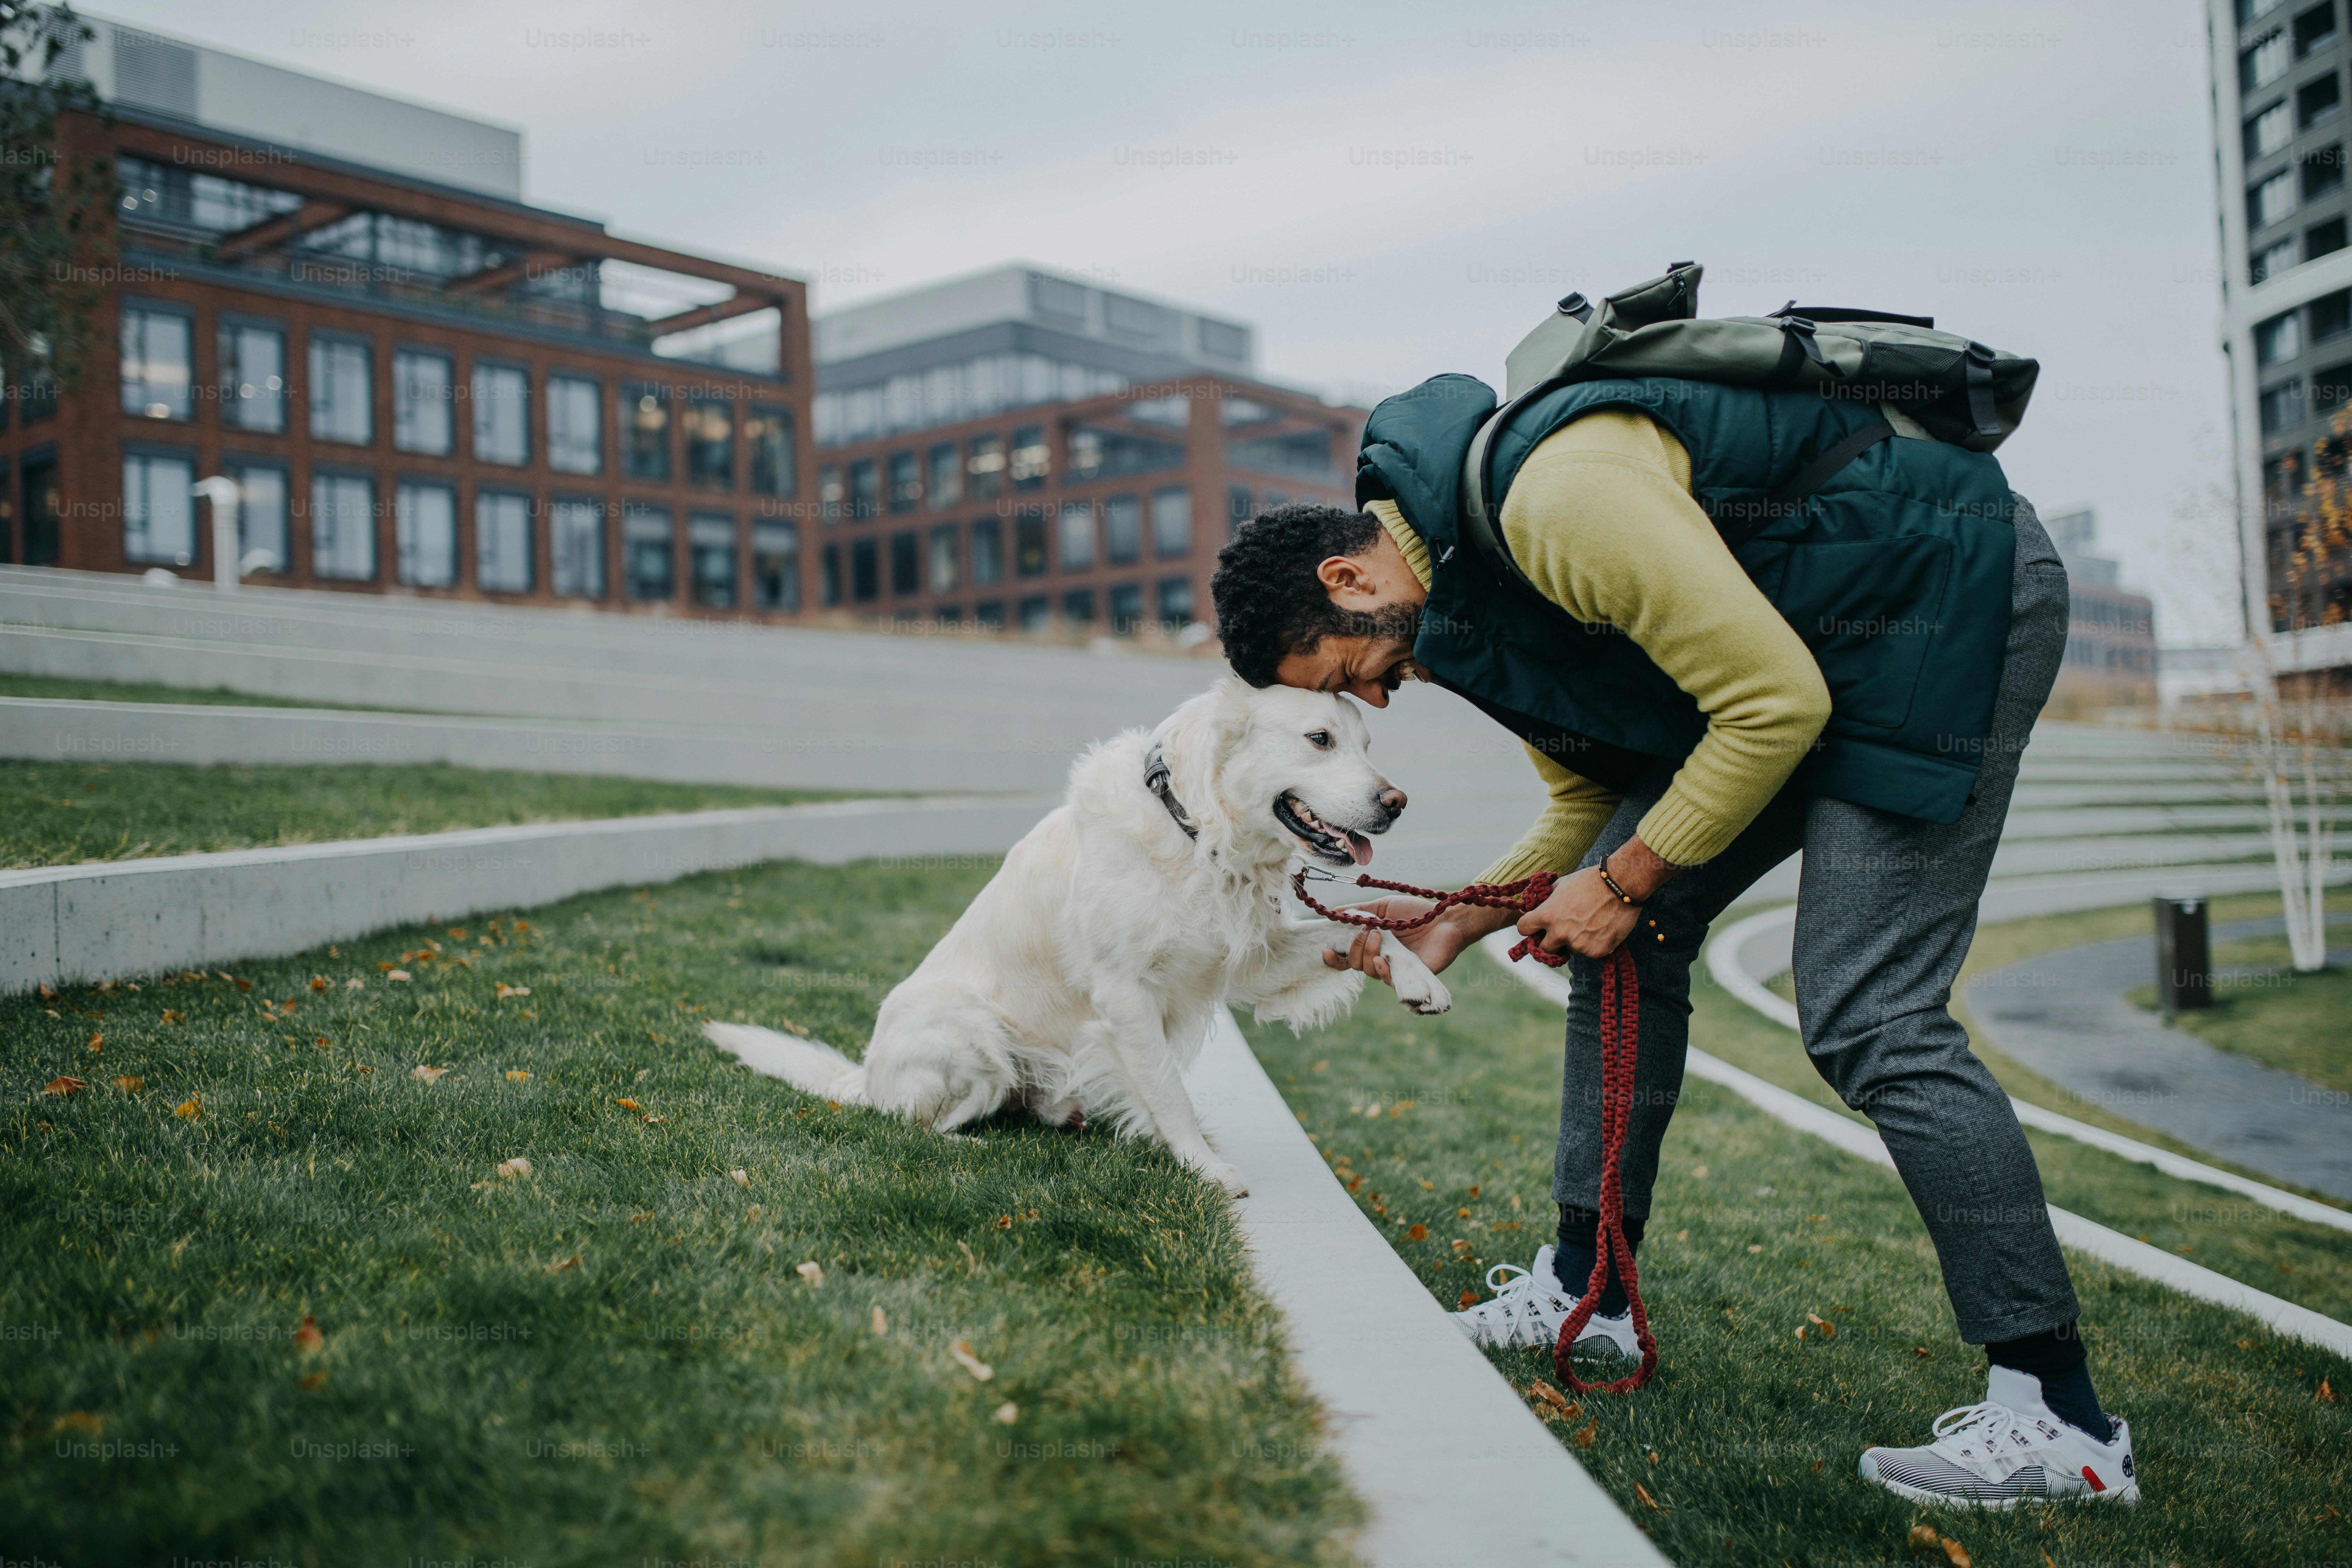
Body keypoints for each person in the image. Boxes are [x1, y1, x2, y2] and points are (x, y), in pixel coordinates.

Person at [1208, 387, 2140, 1508]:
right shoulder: (1452, 600)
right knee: (1621, 945)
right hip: (1813, 647)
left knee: (1870, 1013)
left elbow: (1772, 707)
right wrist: (1463, 913)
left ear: (1347, 581)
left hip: (1942, 594)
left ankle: (2063, 1420)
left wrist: (1624, 881)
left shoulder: (1560, 504)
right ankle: (1586, 1291)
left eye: (1341, 673)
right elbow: (1588, 803)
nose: (1375, 699)